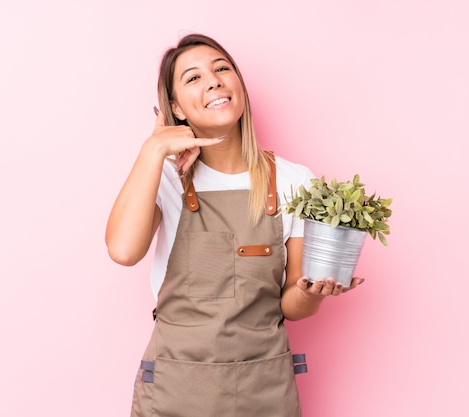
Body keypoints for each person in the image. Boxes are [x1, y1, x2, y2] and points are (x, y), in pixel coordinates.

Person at [105, 33, 364, 417]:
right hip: (177, 392)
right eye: (193, 78)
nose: (213, 80)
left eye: (222, 69)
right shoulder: (164, 178)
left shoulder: (294, 180)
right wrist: (154, 148)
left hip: (266, 391)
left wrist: (313, 292)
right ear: (175, 107)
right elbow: (124, 251)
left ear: (239, 86)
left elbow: (293, 306)